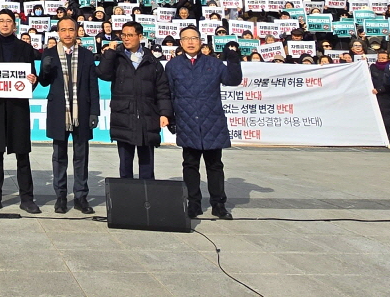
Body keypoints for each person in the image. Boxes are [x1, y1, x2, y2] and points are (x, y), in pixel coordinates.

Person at [165, 29, 244, 219]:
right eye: (186, 39)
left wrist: (233, 59)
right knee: (190, 164)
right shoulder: (173, 66)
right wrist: (170, 117)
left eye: (194, 38)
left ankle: (218, 204)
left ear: (201, 41)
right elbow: (168, 93)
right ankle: (194, 203)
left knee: (215, 165)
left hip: (212, 122)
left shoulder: (213, 63)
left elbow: (233, 80)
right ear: (180, 43)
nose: (190, 42)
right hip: (187, 121)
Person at [0, 10, 40, 214]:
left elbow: (33, 77)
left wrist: (33, 81)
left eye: (9, 21)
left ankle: (27, 198)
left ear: (15, 25)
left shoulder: (25, 48)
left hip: (18, 107)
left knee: (22, 154)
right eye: (1, 21)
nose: (5, 24)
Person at [38, 15, 100, 214]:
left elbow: (93, 86)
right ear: (58, 32)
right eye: (63, 30)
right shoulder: (49, 54)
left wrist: (94, 112)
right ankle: (61, 196)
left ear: (77, 32)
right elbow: (44, 82)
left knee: (81, 156)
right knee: (59, 156)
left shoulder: (86, 55)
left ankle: (81, 196)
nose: (67, 34)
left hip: (81, 112)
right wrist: (45, 70)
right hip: (59, 112)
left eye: (71, 30)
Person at [97, 21, 172, 180]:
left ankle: (147, 199)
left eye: (130, 35)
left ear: (140, 36)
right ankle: (127, 200)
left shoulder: (153, 61)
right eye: (123, 35)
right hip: (123, 117)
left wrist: (165, 113)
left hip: (147, 117)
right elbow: (103, 73)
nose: (126, 38)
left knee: (147, 164)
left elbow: (163, 90)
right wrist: (110, 52)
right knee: (125, 164)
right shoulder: (116, 58)